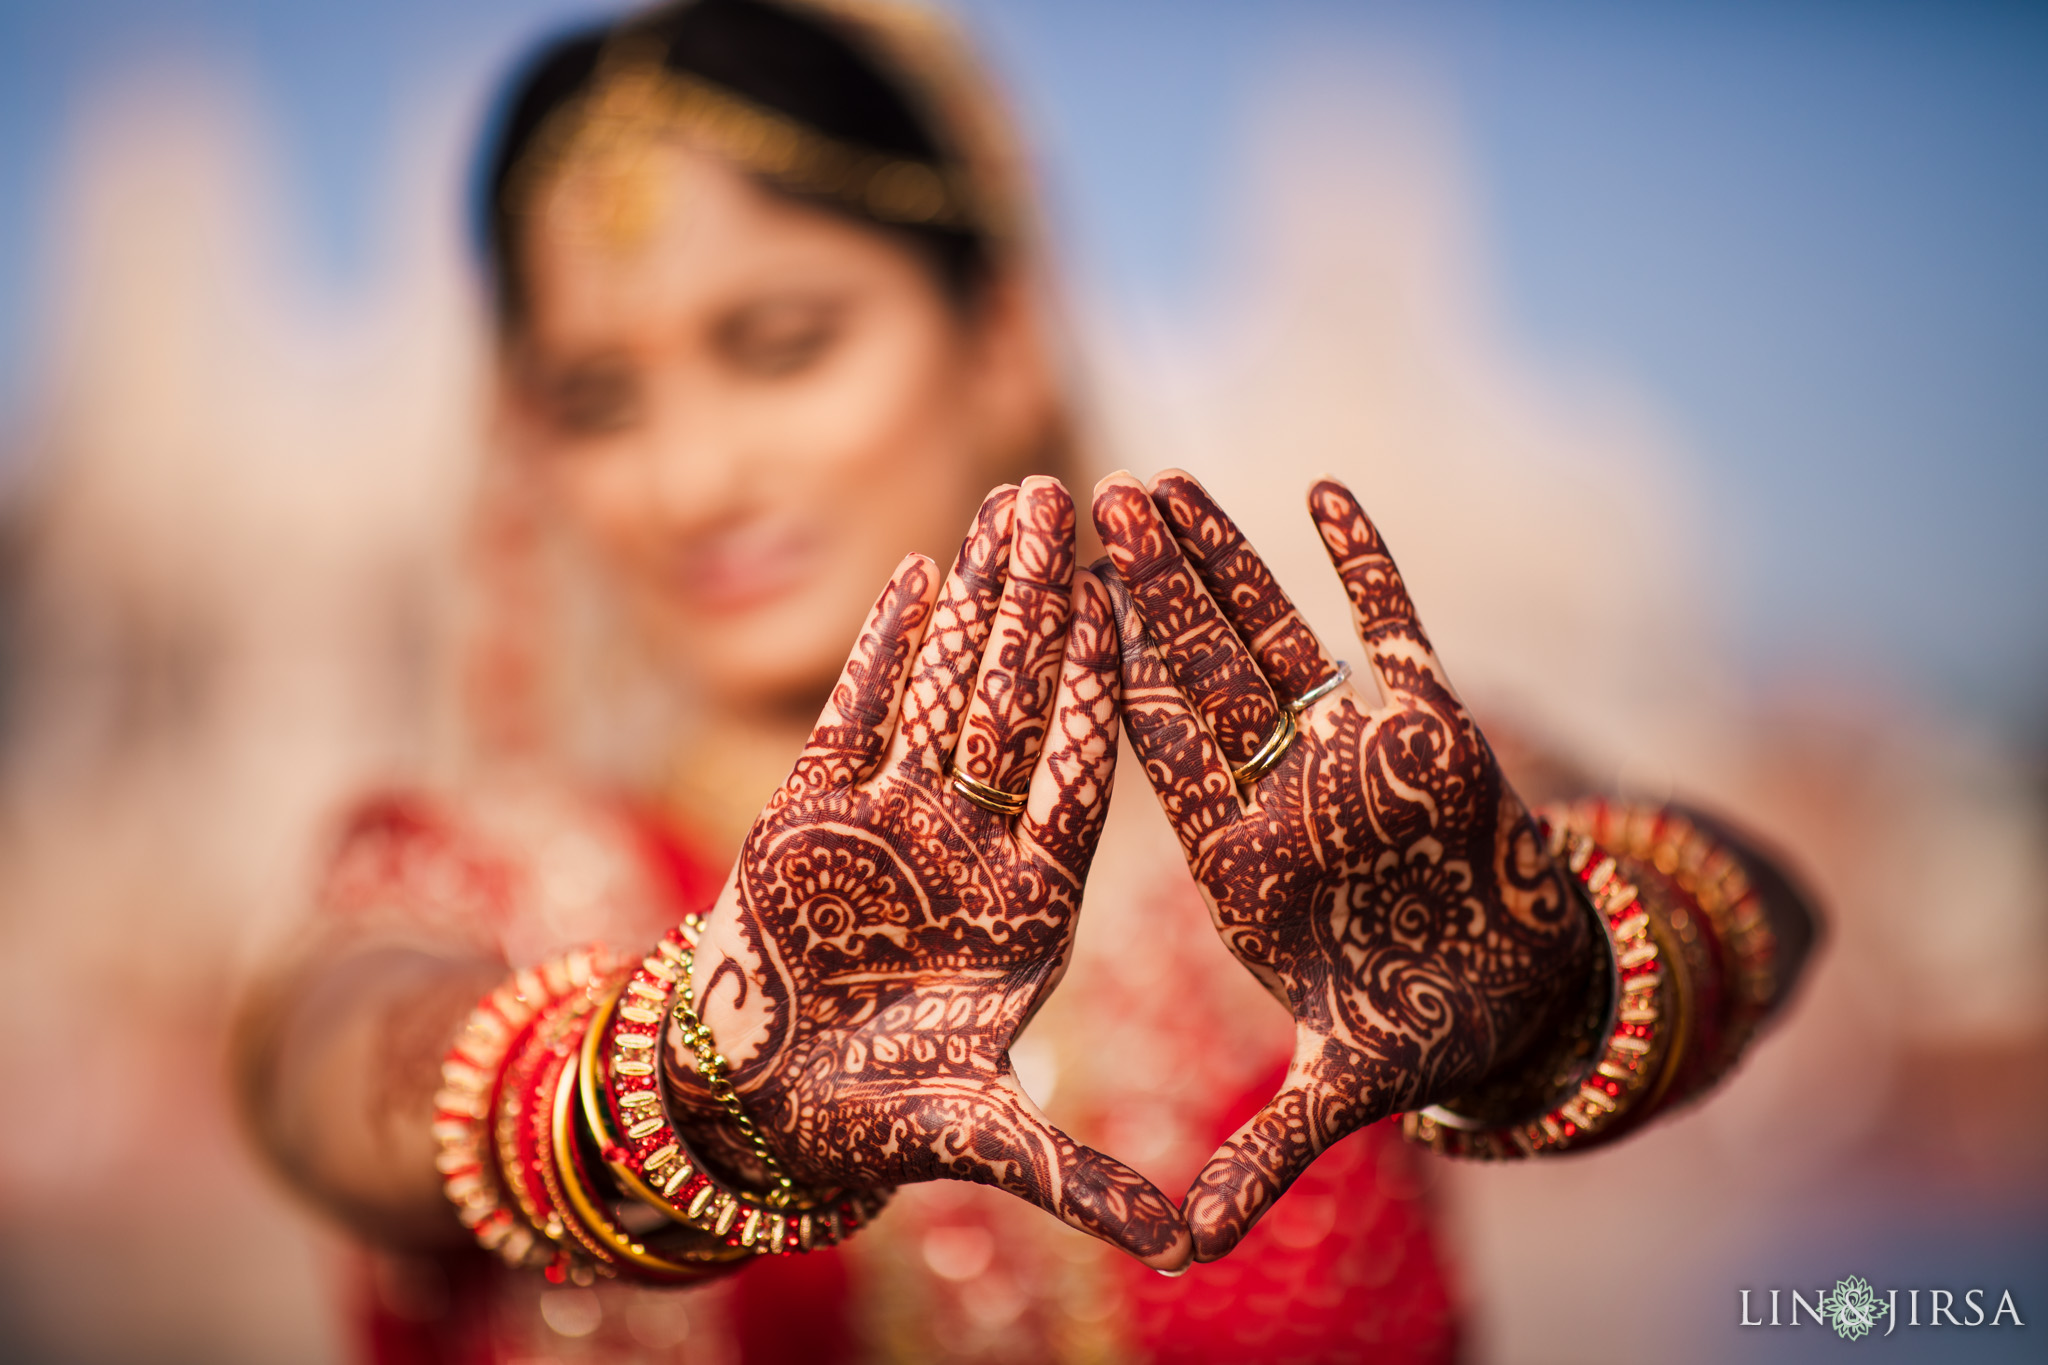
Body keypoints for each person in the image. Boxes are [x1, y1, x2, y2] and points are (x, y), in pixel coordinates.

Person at [234, 3, 1818, 1362]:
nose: (693, 476)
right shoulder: (485, 883)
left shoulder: (1296, 835)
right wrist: (671, 1082)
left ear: (999, 343)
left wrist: (1567, 995)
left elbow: (1751, 896)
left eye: (782, 345)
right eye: (598, 399)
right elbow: (328, 1072)